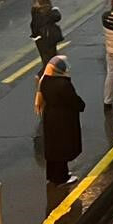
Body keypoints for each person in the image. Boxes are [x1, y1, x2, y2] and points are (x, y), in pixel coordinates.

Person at [35, 55, 85, 185]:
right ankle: (62, 177)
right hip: (63, 119)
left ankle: (52, 175)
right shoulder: (63, 84)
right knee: (62, 148)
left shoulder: (45, 80)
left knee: (53, 148)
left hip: (50, 116)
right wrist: (81, 105)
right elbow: (74, 100)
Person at [30, 0, 63, 69]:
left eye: (36, 2)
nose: (34, 4)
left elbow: (57, 17)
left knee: (48, 58)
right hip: (40, 39)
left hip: (47, 38)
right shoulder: (35, 12)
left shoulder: (48, 12)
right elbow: (34, 25)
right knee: (47, 58)